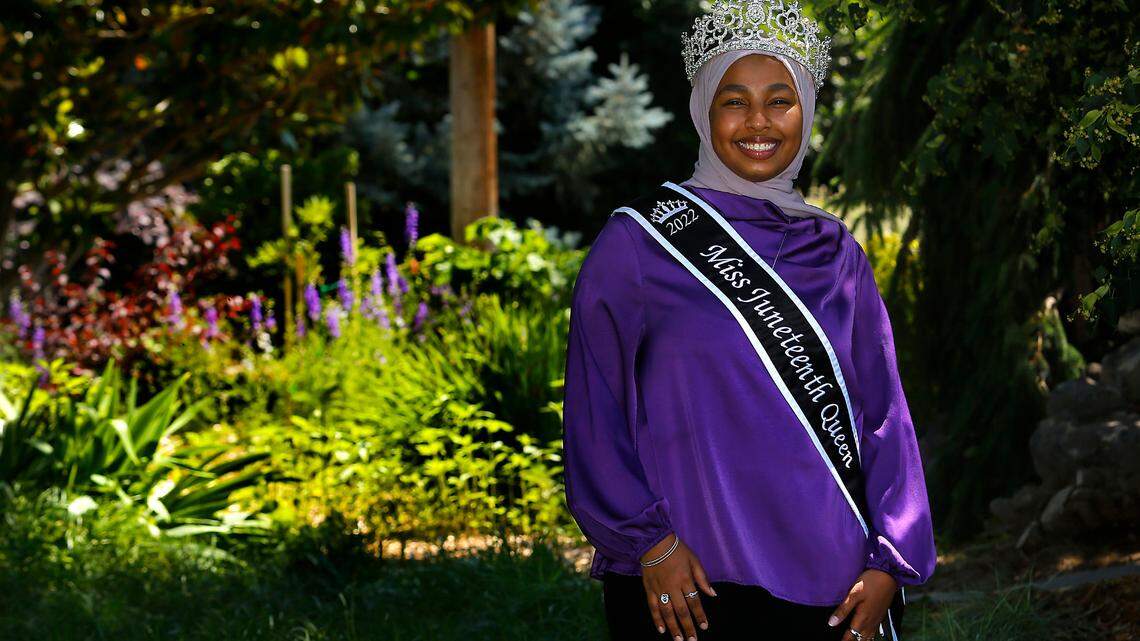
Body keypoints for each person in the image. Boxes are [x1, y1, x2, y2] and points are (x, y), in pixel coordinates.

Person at [560, 2, 937, 641]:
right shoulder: (640, 245)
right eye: (734, 101)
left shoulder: (838, 253)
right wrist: (648, 544)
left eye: (780, 101)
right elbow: (594, 411)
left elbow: (883, 415)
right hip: (689, 584)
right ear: (705, 112)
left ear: (806, 112)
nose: (758, 122)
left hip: (835, 584)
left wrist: (889, 564)